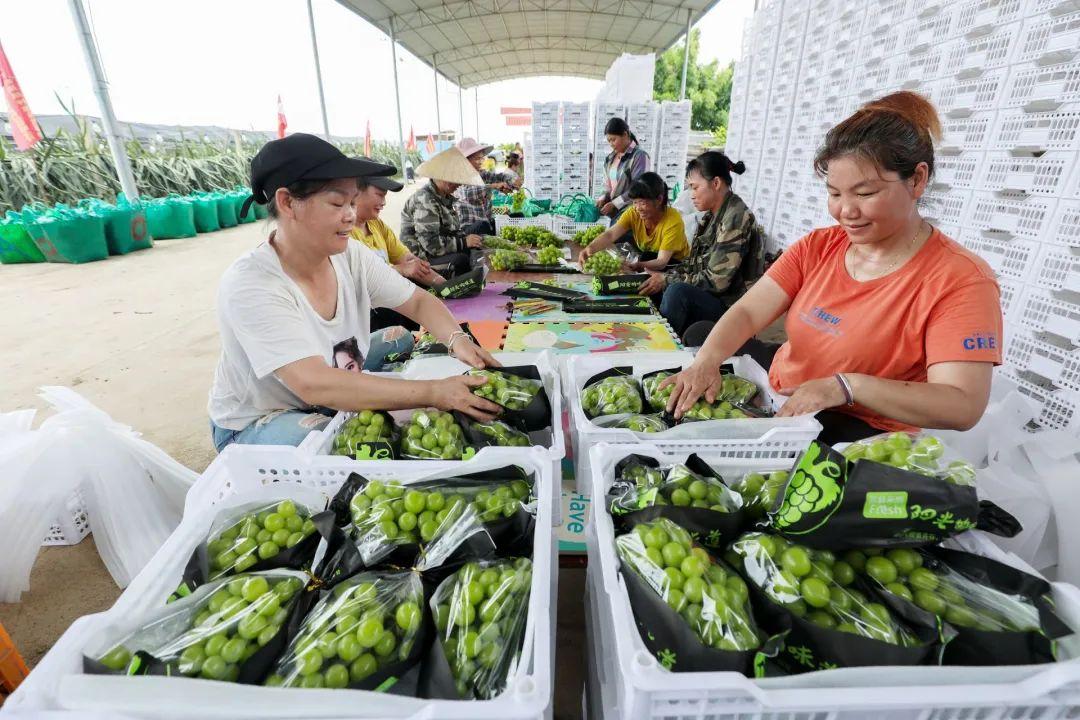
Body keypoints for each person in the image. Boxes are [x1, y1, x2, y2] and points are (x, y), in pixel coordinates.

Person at [663, 92, 1002, 445]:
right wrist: (706, 361)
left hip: (855, 426)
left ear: (916, 180)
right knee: (703, 336)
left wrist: (846, 386)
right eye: (835, 194)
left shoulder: (961, 280)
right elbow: (749, 310)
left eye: (865, 193)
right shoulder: (820, 246)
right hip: (782, 392)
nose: (846, 211)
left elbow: (962, 405)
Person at [208, 133, 501, 451]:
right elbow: (313, 384)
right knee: (344, 441)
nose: (350, 214)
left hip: (324, 382)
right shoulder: (252, 285)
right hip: (262, 417)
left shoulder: (351, 256)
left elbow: (417, 301)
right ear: (287, 202)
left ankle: (353, 391)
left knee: (399, 337)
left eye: (351, 202)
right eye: (337, 203)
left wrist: (458, 340)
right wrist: (433, 391)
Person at [637, 151, 761, 337]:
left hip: (732, 308)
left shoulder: (735, 218)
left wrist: (667, 280)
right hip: (713, 297)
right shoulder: (711, 216)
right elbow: (694, 264)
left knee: (676, 292)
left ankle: (660, 345)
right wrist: (663, 276)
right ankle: (656, 333)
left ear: (716, 183)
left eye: (695, 187)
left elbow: (717, 282)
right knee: (652, 282)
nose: (691, 195)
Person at [350, 174, 444, 332]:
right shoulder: (343, 234)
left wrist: (447, 286)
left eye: (385, 196)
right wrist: (401, 270)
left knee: (418, 287)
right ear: (355, 192)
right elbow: (356, 282)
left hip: (385, 302)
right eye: (379, 195)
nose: (384, 203)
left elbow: (408, 260)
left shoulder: (376, 224)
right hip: (365, 313)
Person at [400, 146, 486, 278]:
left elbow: (452, 230)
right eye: (456, 180)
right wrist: (464, 242)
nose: (459, 185)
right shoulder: (425, 200)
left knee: (480, 232)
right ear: (443, 177)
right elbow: (431, 245)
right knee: (461, 259)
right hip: (422, 257)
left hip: (437, 248)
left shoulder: (444, 197)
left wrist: (469, 240)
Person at [579, 172, 688, 272]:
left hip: (675, 268)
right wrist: (590, 248)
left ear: (659, 200)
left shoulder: (673, 222)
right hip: (650, 258)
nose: (638, 208)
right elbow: (610, 234)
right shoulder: (634, 213)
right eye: (635, 202)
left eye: (642, 203)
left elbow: (661, 262)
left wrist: (637, 265)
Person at [454, 137, 519, 236]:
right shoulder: (457, 177)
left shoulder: (480, 174)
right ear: (465, 161)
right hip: (469, 230)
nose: (481, 161)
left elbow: (498, 177)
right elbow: (469, 194)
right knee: (482, 225)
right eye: (477, 158)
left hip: (486, 224)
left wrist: (513, 181)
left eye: (481, 158)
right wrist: (494, 186)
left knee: (516, 217)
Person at [595, 117, 649, 221]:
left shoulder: (639, 156)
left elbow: (638, 188)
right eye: (609, 140)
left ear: (625, 135)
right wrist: (602, 198)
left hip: (632, 212)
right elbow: (607, 185)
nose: (611, 144)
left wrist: (615, 204)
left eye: (613, 139)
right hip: (614, 213)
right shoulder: (610, 158)